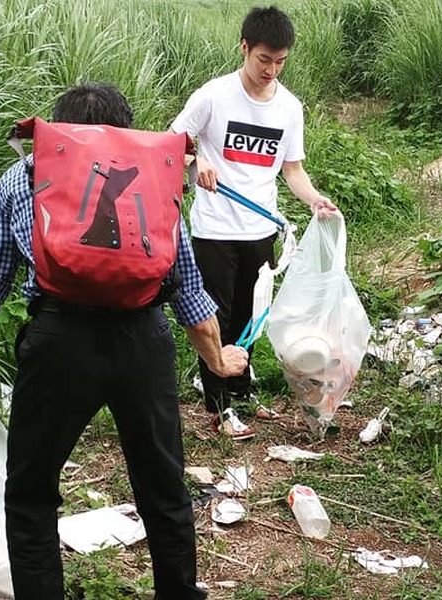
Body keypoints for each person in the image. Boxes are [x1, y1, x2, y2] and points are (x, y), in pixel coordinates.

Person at [0, 82, 248, 600]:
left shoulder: (24, 178)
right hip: (143, 342)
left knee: (31, 494)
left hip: (59, 342)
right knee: (164, 488)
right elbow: (188, 287)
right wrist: (216, 358)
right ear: (126, 131)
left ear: (58, 132)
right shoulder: (155, 182)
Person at [170, 5, 339, 441]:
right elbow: (173, 144)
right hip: (214, 230)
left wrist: (316, 199)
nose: (271, 69)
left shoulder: (289, 108)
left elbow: (293, 171)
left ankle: (240, 394)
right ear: (244, 47)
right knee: (216, 319)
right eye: (264, 59)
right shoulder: (213, 96)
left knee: (251, 316)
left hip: (261, 229)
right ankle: (218, 407)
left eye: (280, 62)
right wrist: (197, 160)